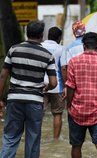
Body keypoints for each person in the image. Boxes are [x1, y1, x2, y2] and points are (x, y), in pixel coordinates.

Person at [0, 20, 57, 157]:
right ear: (41, 35)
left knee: (10, 138)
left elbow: (3, 76)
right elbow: (54, 83)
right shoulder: (47, 55)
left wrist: (0, 100)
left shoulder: (14, 49)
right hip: (35, 102)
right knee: (33, 140)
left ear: (27, 33)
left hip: (14, 100)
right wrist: (47, 87)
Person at [66, 32, 97, 158]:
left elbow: (70, 87)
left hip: (77, 110)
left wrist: (69, 106)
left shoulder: (73, 62)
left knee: (76, 145)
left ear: (83, 46)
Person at [41, 27, 66, 141]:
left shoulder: (40, 47)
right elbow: (63, 69)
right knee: (57, 114)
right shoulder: (61, 49)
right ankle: (56, 140)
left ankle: (36, 138)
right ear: (59, 38)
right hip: (57, 86)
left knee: (38, 114)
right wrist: (65, 86)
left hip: (41, 85)